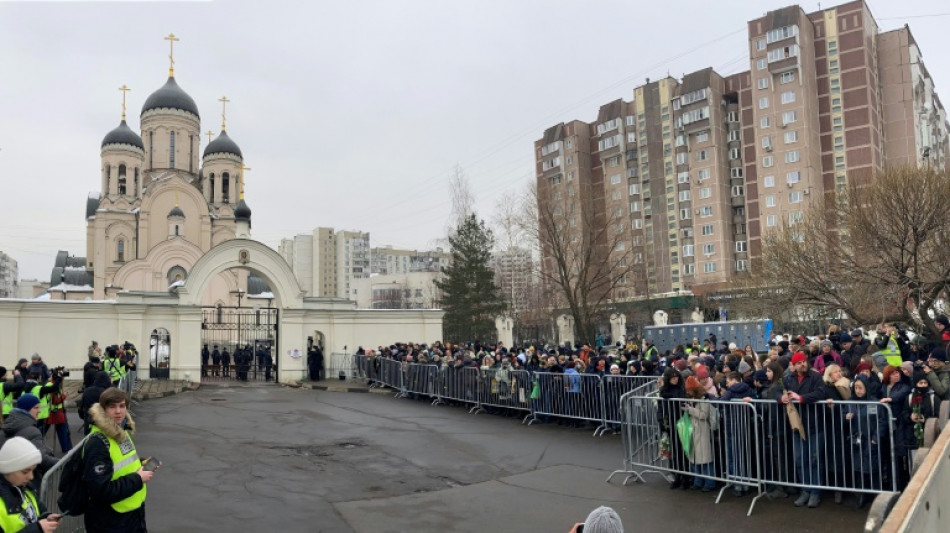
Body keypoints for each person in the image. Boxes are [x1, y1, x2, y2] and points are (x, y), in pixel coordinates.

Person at [84, 388, 151, 532]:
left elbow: (120, 463)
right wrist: (138, 479)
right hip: (112, 520)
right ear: (103, 409)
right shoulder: (98, 443)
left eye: (122, 406)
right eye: (112, 406)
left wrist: (141, 463)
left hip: (132, 513)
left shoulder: (121, 432)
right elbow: (100, 491)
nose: (118, 411)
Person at [781, 351, 829, 508]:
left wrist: (801, 398)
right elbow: (777, 390)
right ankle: (806, 490)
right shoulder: (789, 379)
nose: (803, 364)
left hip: (814, 424)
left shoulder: (815, 377)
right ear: (794, 366)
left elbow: (821, 393)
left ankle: (815, 492)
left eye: (804, 361)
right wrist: (780, 398)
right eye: (799, 362)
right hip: (797, 425)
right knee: (801, 460)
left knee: (815, 459)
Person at [0, 437, 61, 532]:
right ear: (8, 469)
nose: (31, 477)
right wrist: (38, 529)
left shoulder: (25, 487)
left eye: (33, 470)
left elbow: (36, 507)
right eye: (25, 472)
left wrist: (46, 516)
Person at [0, 395, 59, 482]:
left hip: (8, 477)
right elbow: (42, 458)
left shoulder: (7, 424)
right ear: (26, 409)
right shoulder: (32, 431)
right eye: (36, 408)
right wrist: (62, 463)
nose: (39, 411)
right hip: (29, 479)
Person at [683, 376, 715, 491]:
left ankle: (709, 483)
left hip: (702, 430)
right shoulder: (694, 398)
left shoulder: (703, 399)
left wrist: (690, 409)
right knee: (696, 458)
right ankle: (698, 481)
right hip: (695, 430)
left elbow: (703, 415)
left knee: (705, 459)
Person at [79, 371, 113, 436]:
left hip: (88, 421)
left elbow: (81, 406)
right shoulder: (106, 392)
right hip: (102, 422)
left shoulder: (87, 391)